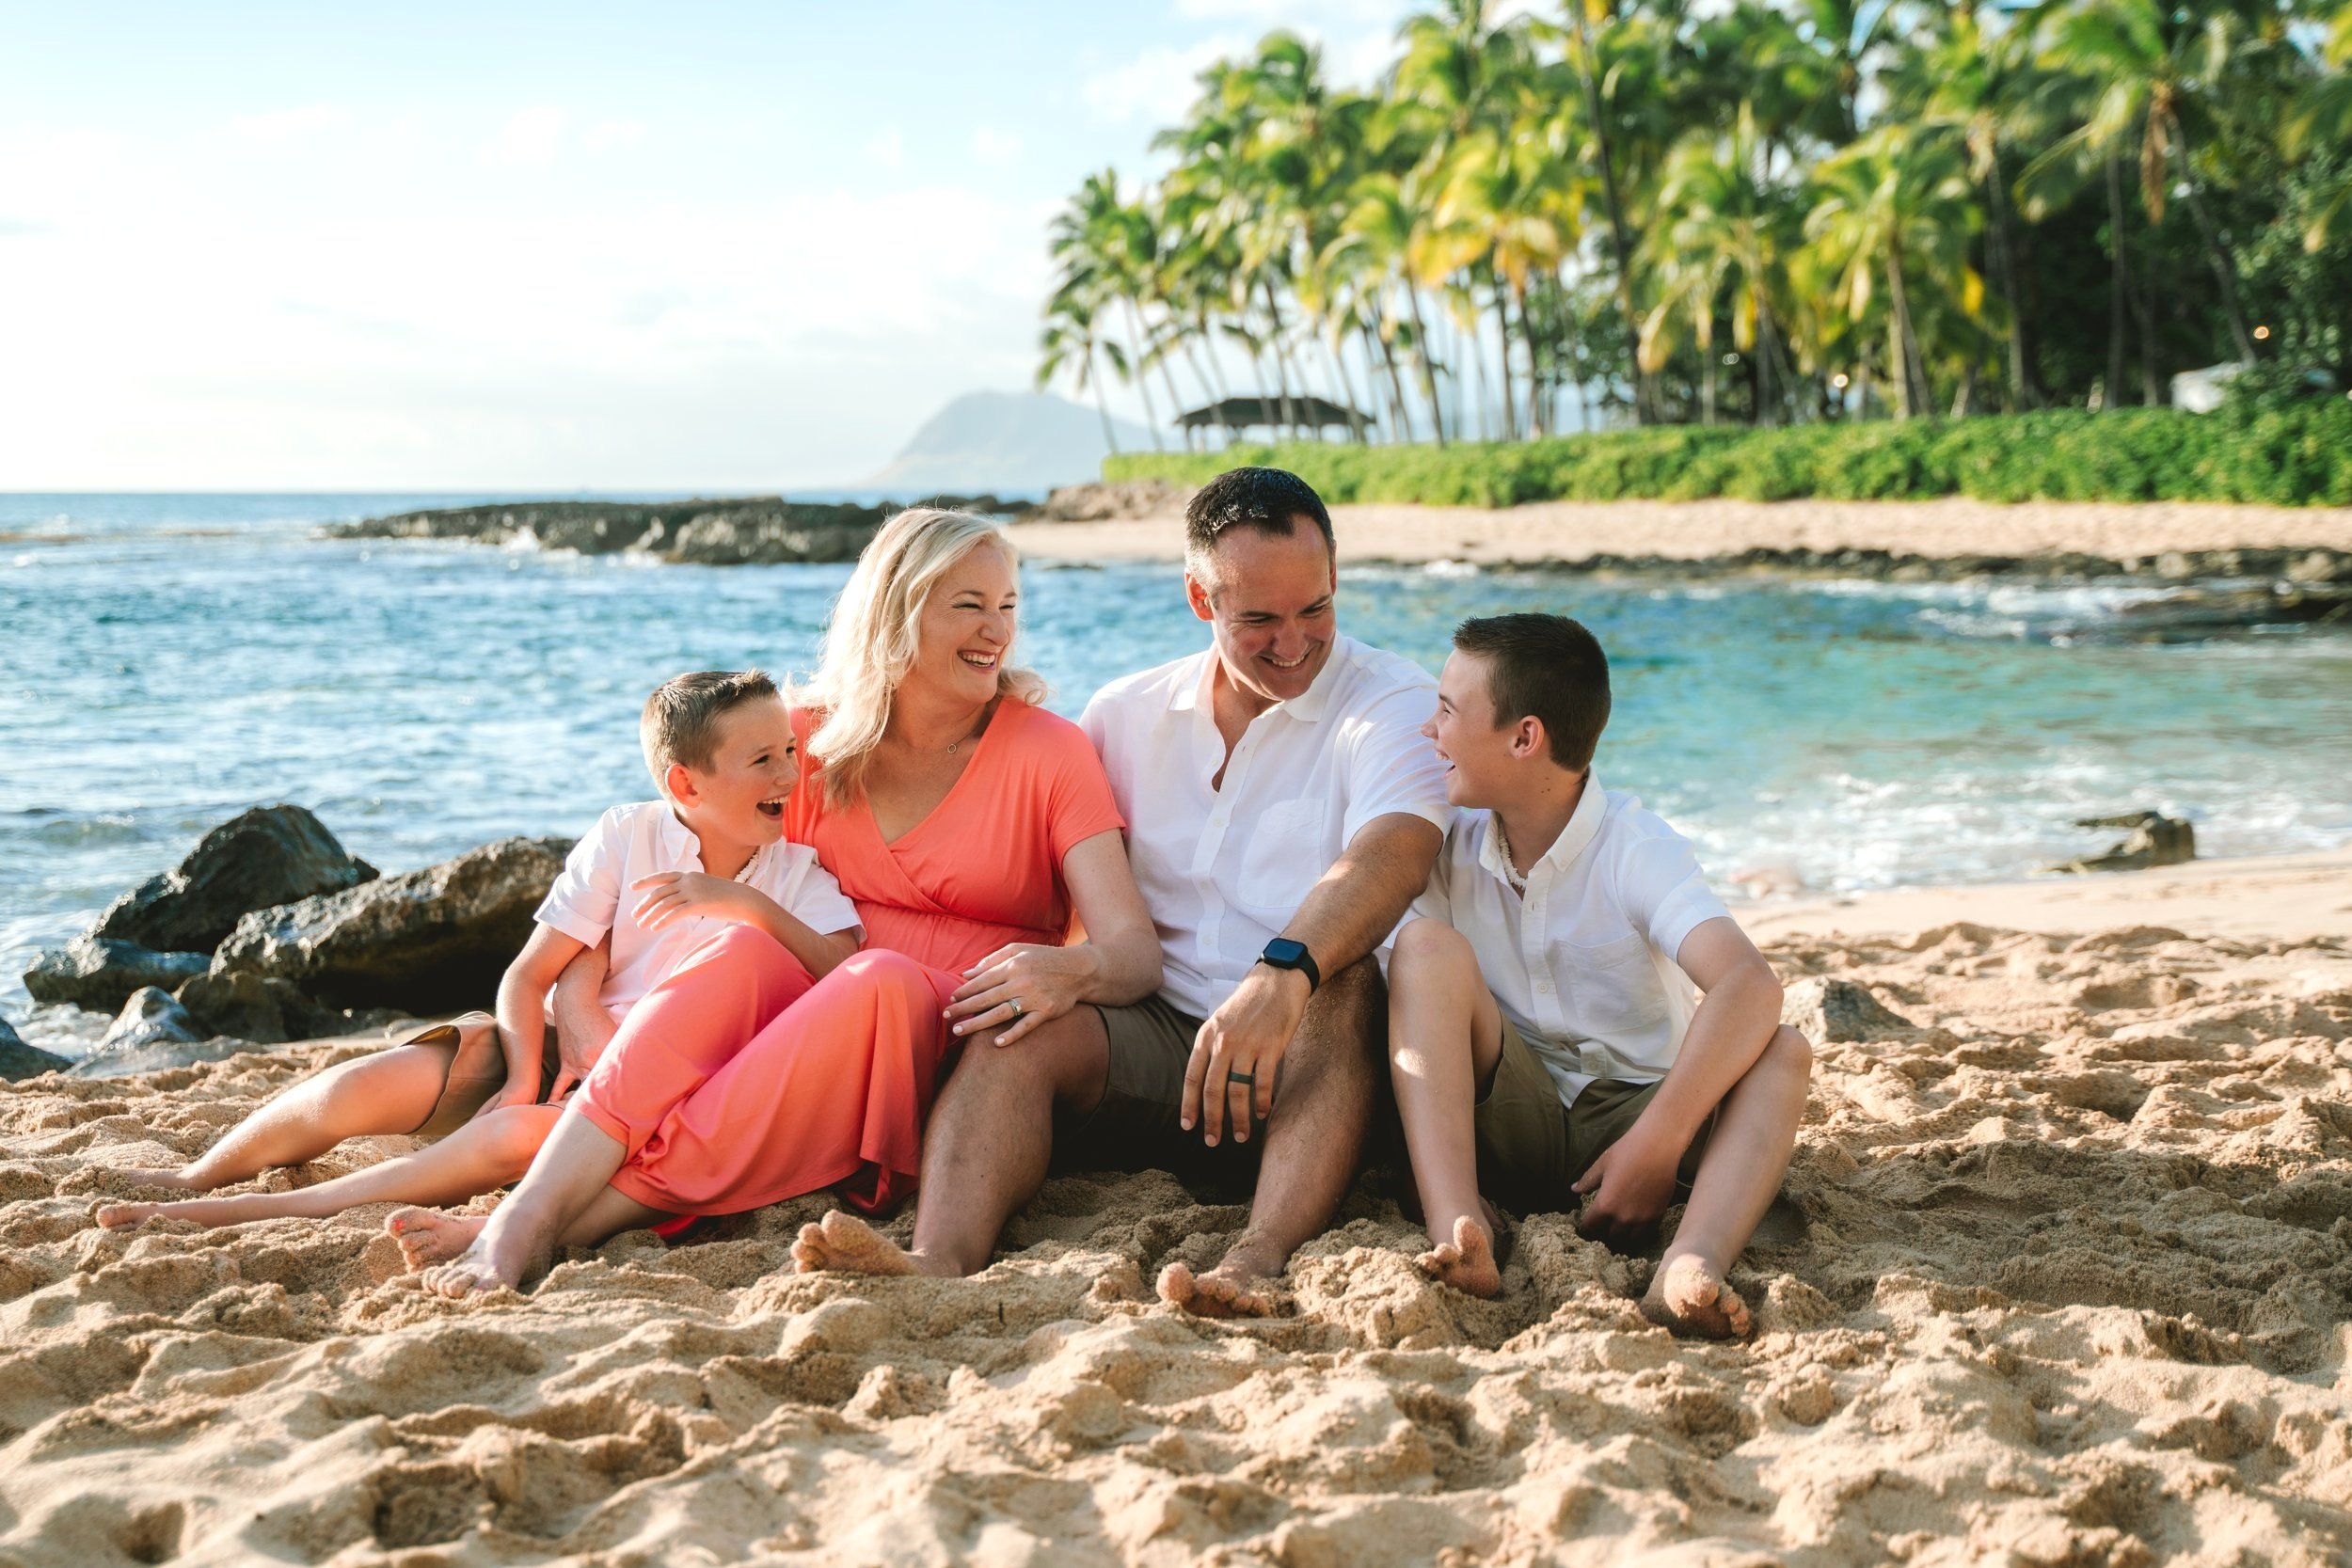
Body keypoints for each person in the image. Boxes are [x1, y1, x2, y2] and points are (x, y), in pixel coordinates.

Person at [402, 508, 1163, 1294]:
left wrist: (1067, 971)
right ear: (895, 611)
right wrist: (578, 989)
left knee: (879, 977)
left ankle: (564, 1219)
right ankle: (527, 1216)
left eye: (1007, 605)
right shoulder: (801, 742)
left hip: (942, 1046)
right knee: (739, 944)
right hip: (781, 1024)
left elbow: (1134, 952)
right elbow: (652, 852)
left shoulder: (1050, 751)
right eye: (967, 604)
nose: (996, 630)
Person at [791, 467, 1452, 1318]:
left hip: (1317, 1046)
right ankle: (938, 1257)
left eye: (1315, 609)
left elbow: (1391, 853)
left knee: (1352, 974)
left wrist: (1281, 974)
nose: (1293, 642)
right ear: (1199, 600)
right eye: (1258, 619)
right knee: (1016, 1019)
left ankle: (1256, 1256)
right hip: (1159, 1038)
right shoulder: (1123, 714)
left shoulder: (1390, 701)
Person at [94, 669, 862, 1231]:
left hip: (650, 1098)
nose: (790, 777)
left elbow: (846, 979)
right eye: (763, 760)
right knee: (363, 1086)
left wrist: (747, 906)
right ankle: (200, 1172)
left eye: (789, 753)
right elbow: (530, 975)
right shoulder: (630, 833)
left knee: (498, 1139)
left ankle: (249, 1209)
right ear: (684, 784)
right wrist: (523, 1073)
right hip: (550, 1052)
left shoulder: (795, 874)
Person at [1386, 613, 1810, 1338]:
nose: (1430, 730)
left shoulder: (1634, 847)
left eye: (1449, 711)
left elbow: (1750, 984)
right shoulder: (1447, 838)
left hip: (1642, 1118)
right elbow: (1412, 996)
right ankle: (1457, 1222)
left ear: (1525, 738)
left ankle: (1692, 1258)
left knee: (1786, 1048)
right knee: (1423, 948)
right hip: (1509, 1114)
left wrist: (1657, 1142)